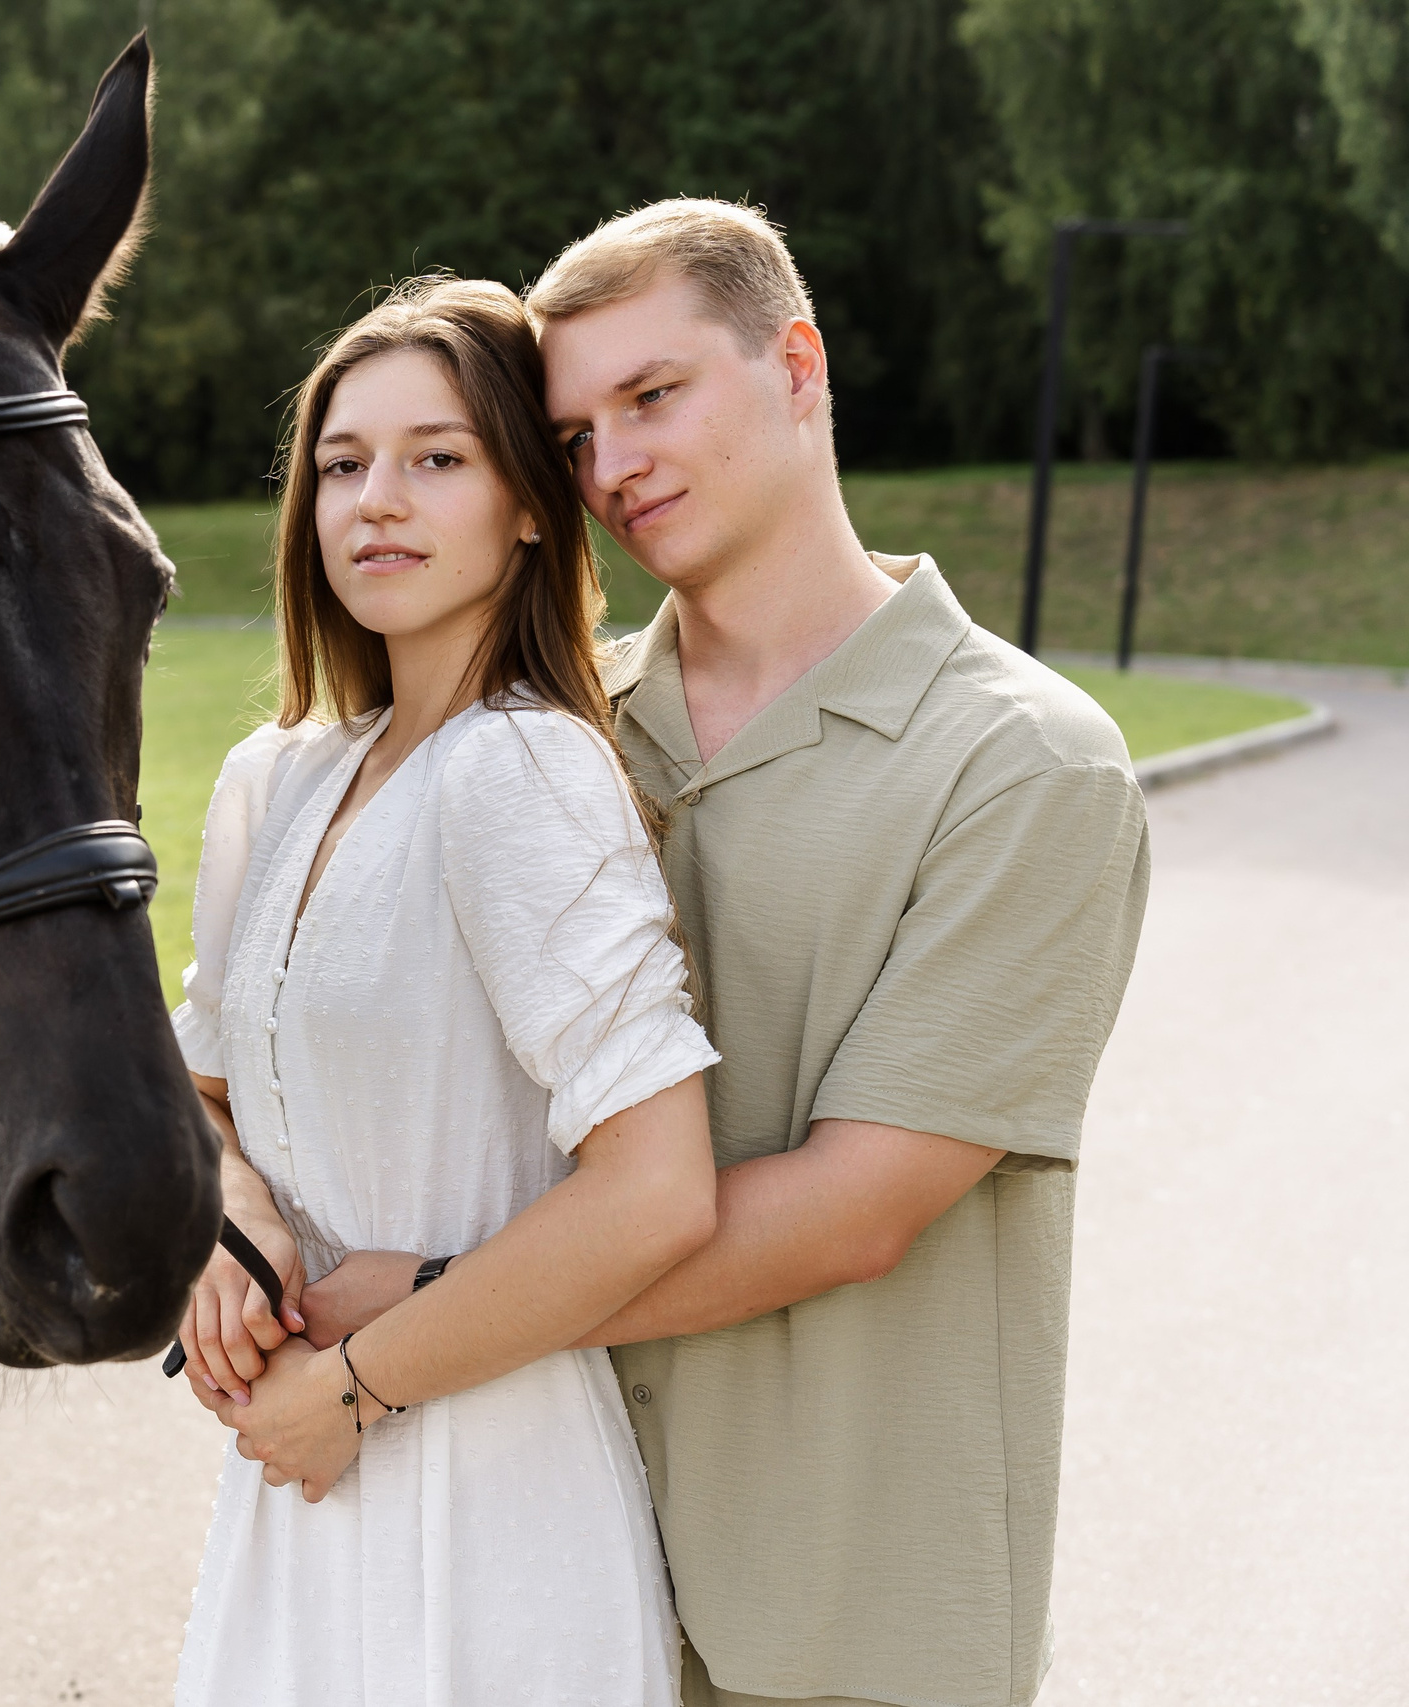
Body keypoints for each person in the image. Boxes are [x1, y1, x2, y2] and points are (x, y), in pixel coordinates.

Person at [313, 201, 1152, 1707]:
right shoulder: (548, 742)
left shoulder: (1025, 768)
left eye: (653, 397)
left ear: (799, 365)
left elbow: (852, 1212)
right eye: (572, 437)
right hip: (545, 1576)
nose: (613, 468)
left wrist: (423, 1310)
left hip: (845, 1618)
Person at [168, 275, 723, 1706]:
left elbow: (657, 1189)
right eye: (344, 466)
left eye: (437, 459)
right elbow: (204, 1088)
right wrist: (230, 1226)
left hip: (488, 1495)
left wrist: (356, 1392)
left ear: (531, 506)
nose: (376, 503)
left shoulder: (523, 767)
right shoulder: (275, 782)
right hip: (291, 1481)